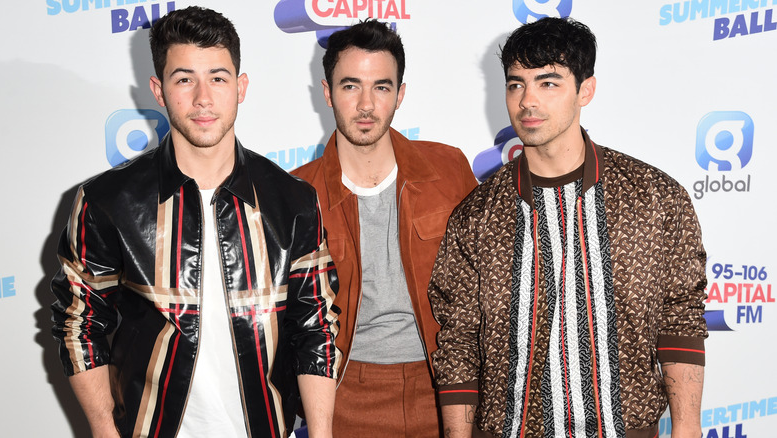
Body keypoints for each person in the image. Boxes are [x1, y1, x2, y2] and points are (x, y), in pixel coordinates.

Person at [50, 7, 339, 438]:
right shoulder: (108, 201)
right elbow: (79, 322)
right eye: (184, 79)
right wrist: (105, 431)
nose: (203, 97)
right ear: (159, 89)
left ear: (241, 87)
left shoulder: (291, 200)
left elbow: (316, 325)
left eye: (218, 78)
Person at [429, 17, 707, 438]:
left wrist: (687, 427)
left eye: (549, 83)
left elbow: (680, 320)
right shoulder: (478, 215)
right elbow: (459, 343)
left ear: (586, 89)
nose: (527, 101)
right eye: (516, 84)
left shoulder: (654, 198)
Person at [292, 19, 478, 438]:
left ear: (400, 94)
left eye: (381, 87)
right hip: (347, 394)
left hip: (447, 385)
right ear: (327, 93)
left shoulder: (448, 170)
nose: (366, 105)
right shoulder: (298, 193)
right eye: (350, 85)